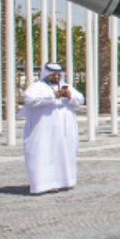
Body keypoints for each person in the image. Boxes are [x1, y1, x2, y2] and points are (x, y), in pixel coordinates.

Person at [21, 63, 85, 194]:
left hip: (64, 131)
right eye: (53, 74)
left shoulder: (66, 86)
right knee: (44, 154)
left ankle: (65, 181)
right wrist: (53, 97)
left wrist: (69, 96)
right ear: (46, 74)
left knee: (64, 154)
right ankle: (44, 184)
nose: (56, 77)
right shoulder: (37, 87)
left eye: (58, 75)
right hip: (43, 130)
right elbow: (29, 100)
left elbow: (81, 99)